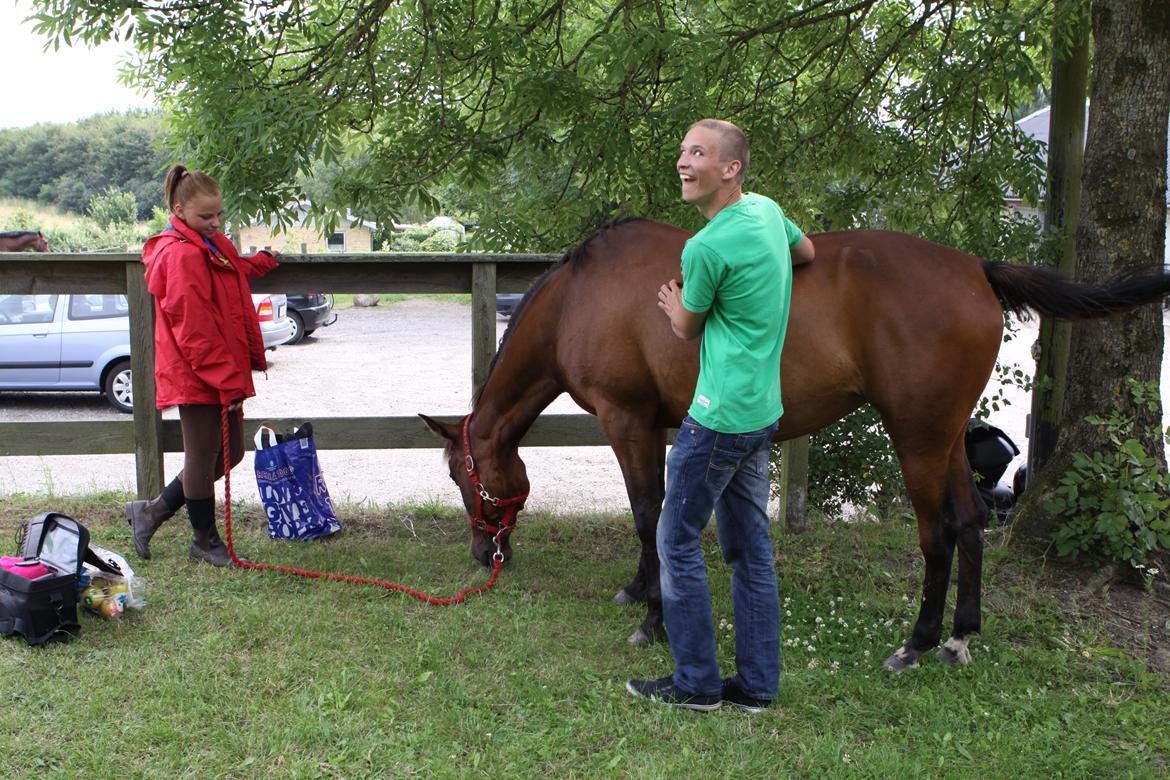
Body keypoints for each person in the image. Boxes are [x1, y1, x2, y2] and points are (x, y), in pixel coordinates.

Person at [626, 119, 815, 712]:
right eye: (682, 150)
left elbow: (686, 329)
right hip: (763, 410)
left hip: (717, 417)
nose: (683, 162)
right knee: (749, 549)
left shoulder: (703, 248)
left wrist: (673, 304)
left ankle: (697, 684)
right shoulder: (766, 212)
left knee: (675, 540)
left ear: (730, 168)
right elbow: (806, 251)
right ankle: (756, 687)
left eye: (698, 153)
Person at [125, 165, 278, 567]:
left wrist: (259, 263)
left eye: (218, 215)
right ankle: (203, 541)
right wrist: (225, 381)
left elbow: (228, 272)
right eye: (205, 217)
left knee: (229, 454)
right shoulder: (179, 254)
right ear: (179, 210)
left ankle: (152, 512)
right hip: (197, 371)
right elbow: (193, 329)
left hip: (218, 368)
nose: (214, 223)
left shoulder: (208, 242)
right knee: (203, 456)